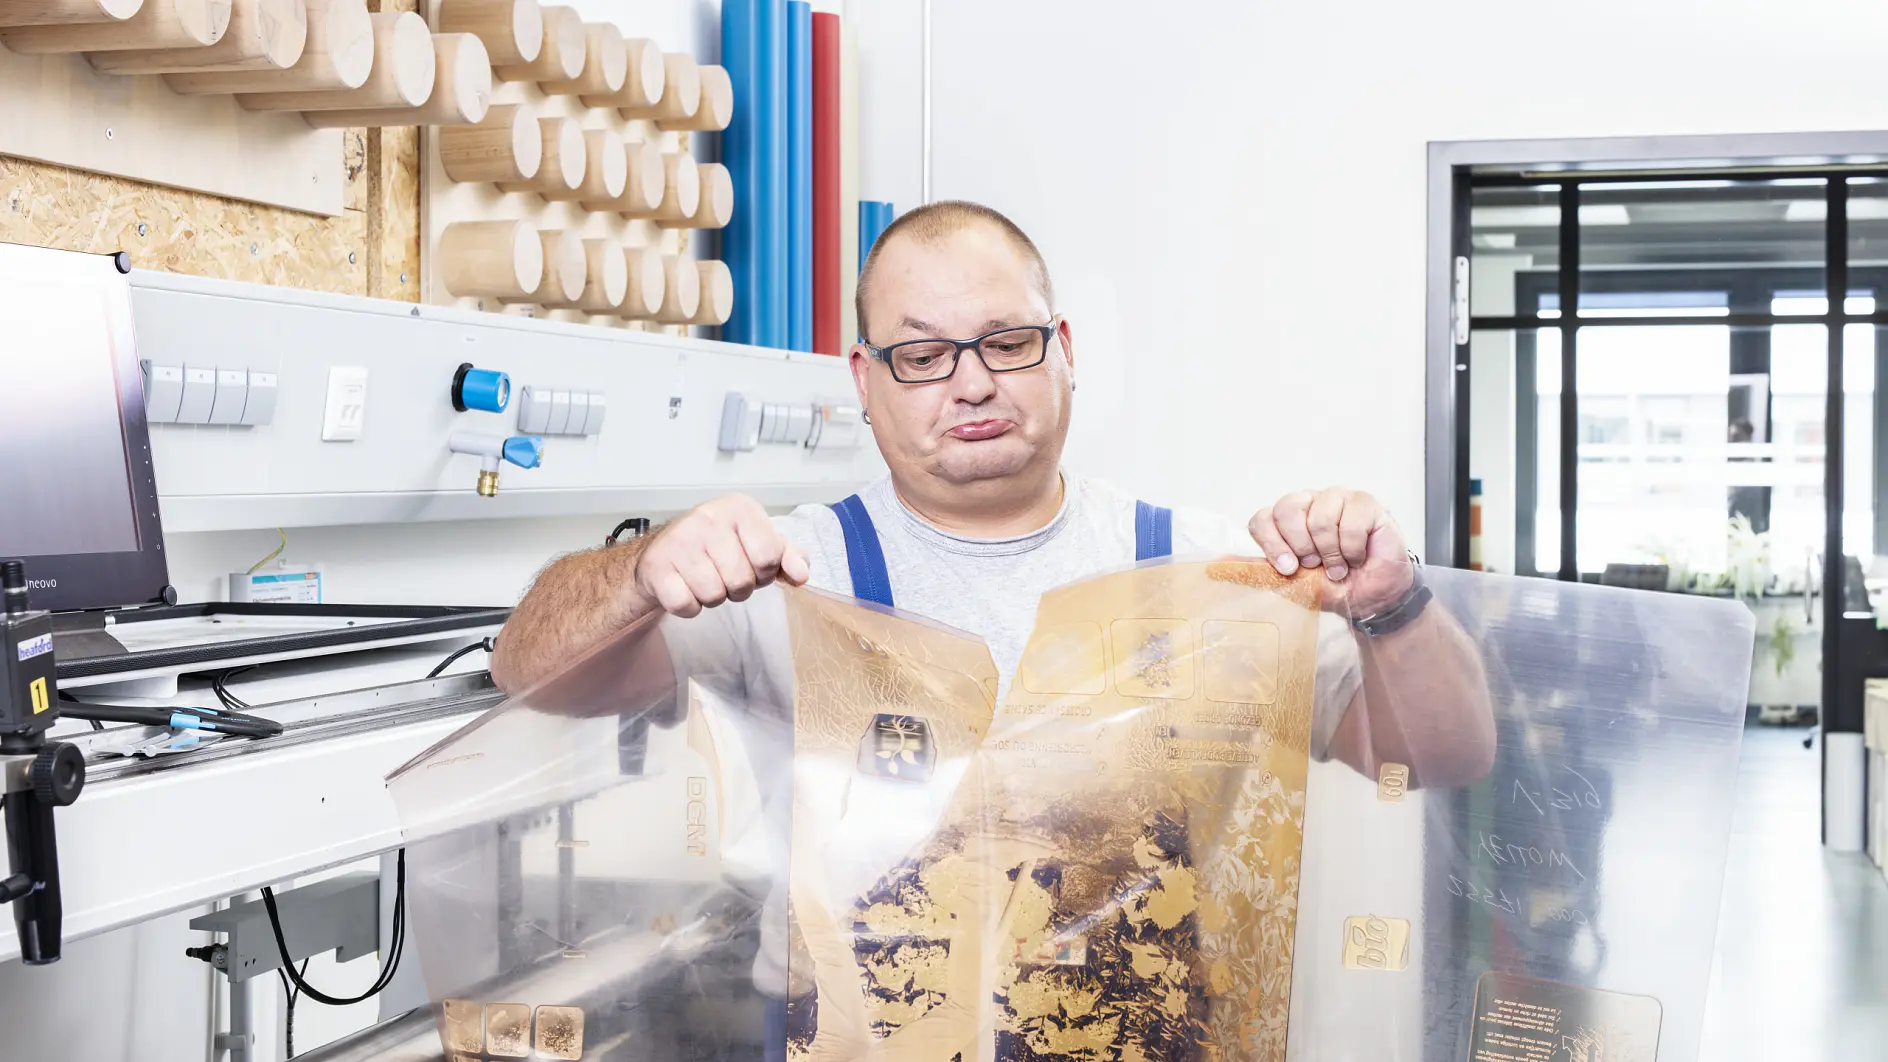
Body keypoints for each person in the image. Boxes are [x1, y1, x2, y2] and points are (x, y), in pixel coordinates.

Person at [493, 198, 1493, 791]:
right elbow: (530, 676)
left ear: (1061, 352)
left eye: (1006, 344)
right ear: (864, 380)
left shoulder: (1205, 568)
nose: (972, 383)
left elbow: (1437, 761)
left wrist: (1390, 609)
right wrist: (637, 573)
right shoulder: (787, 577)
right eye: (922, 354)